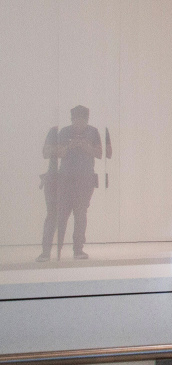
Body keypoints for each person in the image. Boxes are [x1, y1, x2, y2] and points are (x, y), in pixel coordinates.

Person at [38, 105, 101, 261]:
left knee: (80, 215)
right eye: (76, 121)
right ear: (72, 120)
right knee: (58, 216)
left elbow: (100, 153)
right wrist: (68, 147)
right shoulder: (64, 132)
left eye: (82, 121)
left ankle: (78, 250)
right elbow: (52, 153)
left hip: (84, 181)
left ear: (87, 120)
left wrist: (86, 147)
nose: (79, 125)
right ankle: (48, 252)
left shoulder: (93, 132)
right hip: (64, 181)